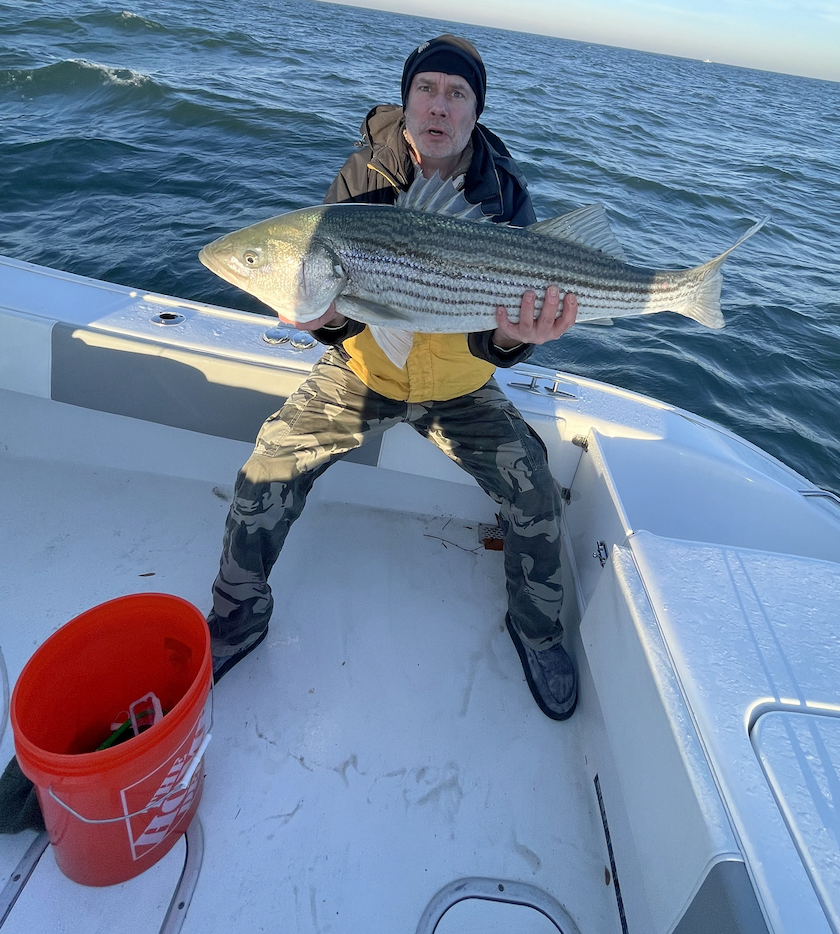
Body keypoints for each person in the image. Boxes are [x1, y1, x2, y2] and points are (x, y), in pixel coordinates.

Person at [207, 35, 581, 719]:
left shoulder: (505, 195)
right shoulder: (362, 178)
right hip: (364, 372)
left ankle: (538, 632)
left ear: (476, 111)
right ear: (406, 101)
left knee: (537, 496)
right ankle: (236, 617)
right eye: (426, 89)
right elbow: (339, 309)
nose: (439, 105)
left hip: (461, 387)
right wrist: (325, 323)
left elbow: (501, 336)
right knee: (267, 470)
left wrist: (511, 338)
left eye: (457, 93)